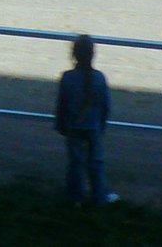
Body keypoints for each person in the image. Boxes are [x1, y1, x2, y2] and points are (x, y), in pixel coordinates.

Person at [54, 34, 118, 207]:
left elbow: (62, 104)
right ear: (93, 54)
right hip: (93, 126)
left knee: (75, 162)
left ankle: (75, 197)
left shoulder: (67, 77)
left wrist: (60, 124)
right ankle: (99, 197)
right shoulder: (99, 78)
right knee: (95, 162)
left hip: (73, 126)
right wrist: (101, 126)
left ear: (74, 54)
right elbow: (105, 106)